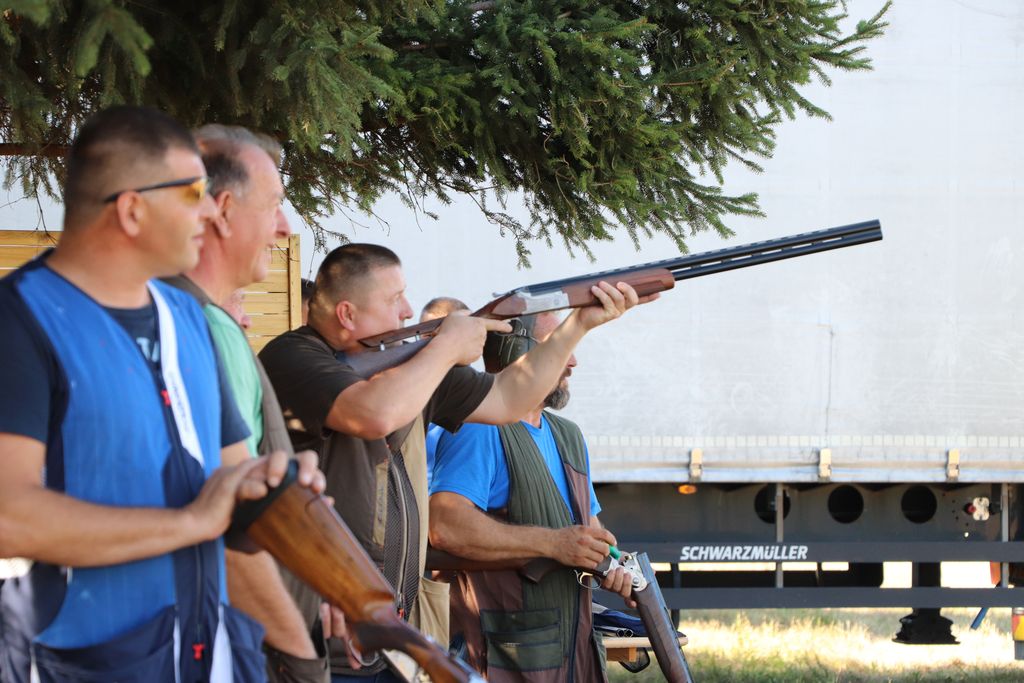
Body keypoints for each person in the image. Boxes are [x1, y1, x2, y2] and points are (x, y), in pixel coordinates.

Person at [0, 106, 324, 683]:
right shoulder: (19, 320)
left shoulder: (189, 319)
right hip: (72, 665)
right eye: (193, 193)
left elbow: (230, 478)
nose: (208, 210)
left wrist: (275, 484)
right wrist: (190, 523)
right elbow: (10, 516)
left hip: (206, 658)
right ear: (132, 209)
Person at [259, 244, 651, 681]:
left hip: (383, 630)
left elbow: (509, 397)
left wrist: (578, 325)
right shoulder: (293, 357)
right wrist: (444, 348)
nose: (409, 309)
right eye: (394, 300)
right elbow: (370, 414)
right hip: (316, 624)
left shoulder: (411, 367)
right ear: (348, 314)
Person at [166, 123, 330, 682]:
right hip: (243, 644)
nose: (285, 229)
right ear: (226, 208)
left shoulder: (165, 315)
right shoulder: (204, 328)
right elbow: (233, 523)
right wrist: (301, 657)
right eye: (276, 206)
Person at [428, 312, 632, 682]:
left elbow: (588, 530)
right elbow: (444, 524)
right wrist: (551, 544)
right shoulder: (479, 428)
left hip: (573, 655)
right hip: (508, 659)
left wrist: (614, 567)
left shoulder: (566, 434)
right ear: (517, 355)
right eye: (558, 346)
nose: (571, 361)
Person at [418, 296, 471, 490]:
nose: (429, 345)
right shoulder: (411, 391)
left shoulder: (483, 398)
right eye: (423, 336)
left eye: (437, 336)